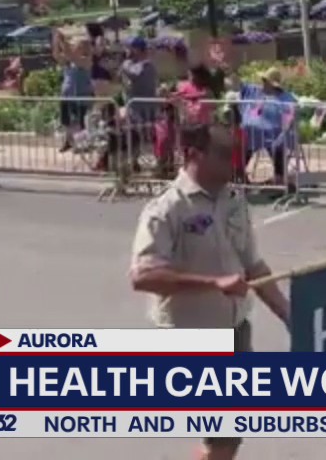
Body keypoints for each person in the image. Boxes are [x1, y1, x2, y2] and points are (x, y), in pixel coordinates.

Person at [129, 123, 290, 460]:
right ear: (192, 155)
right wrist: (213, 283)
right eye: (222, 154)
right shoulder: (167, 209)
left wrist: (289, 314)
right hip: (190, 336)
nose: (233, 161)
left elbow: (254, 266)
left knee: (228, 436)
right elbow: (143, 277)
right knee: (222, 431)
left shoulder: (234, 202)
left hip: (234, 330)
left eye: (234, 153)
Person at [239, 68, 299, 189]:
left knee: (279, 144)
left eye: (265, 81)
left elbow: (290, 118)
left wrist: (284, 132)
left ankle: (279, 178)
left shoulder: (286, 99)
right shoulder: (255, 91)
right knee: (244, 144)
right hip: (252, 133)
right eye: (263, 80)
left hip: (275, 134)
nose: (262, 83)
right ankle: (239, 176)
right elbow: (235, 84)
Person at [52, 31, 95, 152]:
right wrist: (56, 40)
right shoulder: (69, 62)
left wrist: (62, 41)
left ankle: (83, 144)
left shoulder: (86, 60)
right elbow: (56, 55)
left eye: (77, 46)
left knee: (82, 121)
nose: (74, 47)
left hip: (82, 96)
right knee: (66, 120)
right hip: (67, 94)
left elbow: (72, 56)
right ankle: (68, 140)